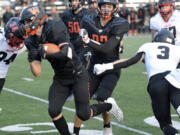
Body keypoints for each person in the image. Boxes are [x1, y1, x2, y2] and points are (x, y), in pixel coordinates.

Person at [19, 5, 123, 135]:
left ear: (38, 19)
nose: (26, 25)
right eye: (25, 23)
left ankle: (109, 106)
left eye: (28, 21)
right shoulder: (31, 40)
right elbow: (37, 71)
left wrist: (45, 52)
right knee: (53, 110)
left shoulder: (54, 27)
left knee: (83, 114)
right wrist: (32, 55)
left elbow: (66, 53)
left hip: (77, 75)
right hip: (60, 77)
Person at [93, 29, 180, 135]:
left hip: (156, 84)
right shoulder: (176, 49)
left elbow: (131, 61)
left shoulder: (148, 46)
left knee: (165, 125)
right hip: (174, 80)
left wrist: (106, 66)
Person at [73, 0, 129, 134]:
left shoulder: (119, 23)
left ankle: (107, 125)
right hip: (94, 66)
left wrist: (88, 41)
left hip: (111, 67)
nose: (106, 9)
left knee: (101, 98)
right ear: (99, 7)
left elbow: (107, 49)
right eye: (104, 6)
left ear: (114, 8)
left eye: (109, 6)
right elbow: (77, 43)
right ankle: (75, 132)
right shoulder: (88, 20)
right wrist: (78, 41)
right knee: (82, 100)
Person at [0, 17, 26, 93]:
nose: (17, 43)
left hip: (1, 77)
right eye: (15, 39)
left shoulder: (23, 45)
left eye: (20, 41)